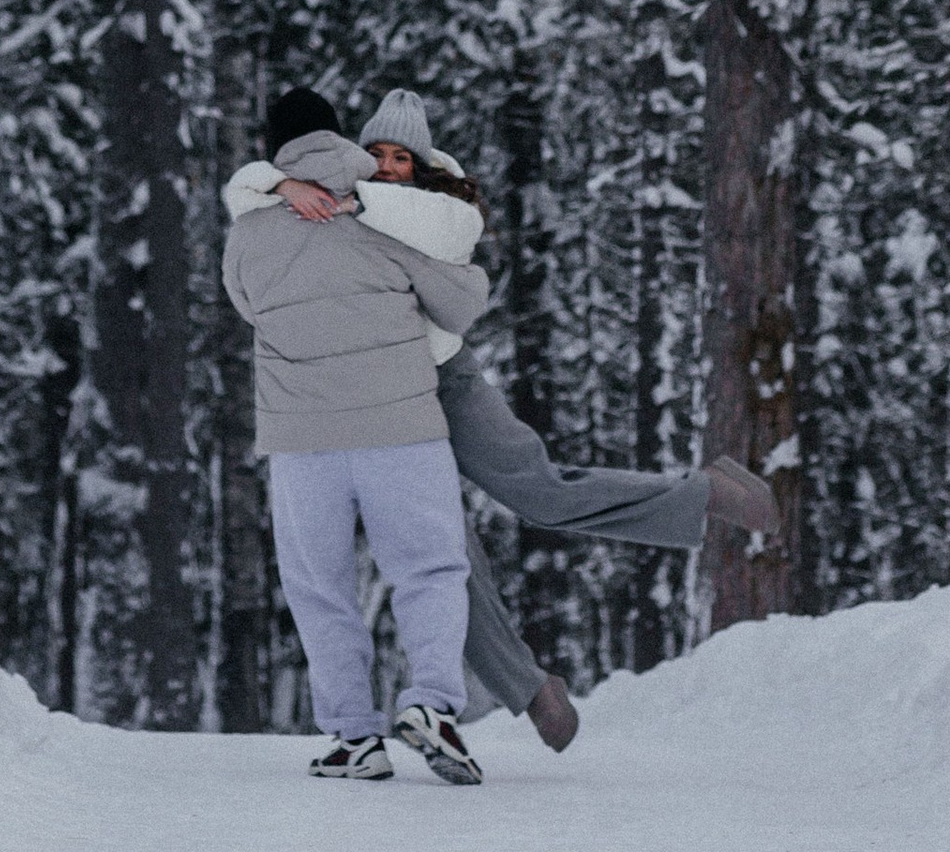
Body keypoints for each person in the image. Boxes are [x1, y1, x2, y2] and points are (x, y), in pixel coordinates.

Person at [234, 84, 781, 753]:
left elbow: (453, 257)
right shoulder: (328, 201)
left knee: (538, 492)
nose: (384, 165)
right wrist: (282, 187)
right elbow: (246, 197)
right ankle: (530, 688)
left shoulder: (432, 207)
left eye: (400, 157)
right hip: (374, 404)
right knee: (444, 558)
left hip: (442, 380)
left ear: (423, 166)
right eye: (372, 152)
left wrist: (352, 199)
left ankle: (703, 493)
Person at [220, 83, 490, 784]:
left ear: (275, 148)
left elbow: (249, 307)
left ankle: (353, 737)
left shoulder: (249, 229)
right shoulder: (388, 214)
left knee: (319, 587)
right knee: (429, 571)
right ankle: (431, 704)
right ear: (340, 136)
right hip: (401, 425)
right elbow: (460, 306)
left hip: (302, 437)